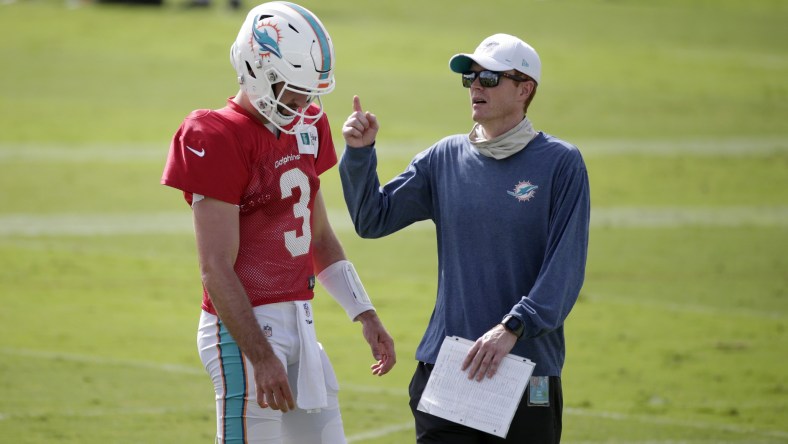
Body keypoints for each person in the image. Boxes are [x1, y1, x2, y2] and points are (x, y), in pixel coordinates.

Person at [160, 2, 396, 443]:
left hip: (301, 327)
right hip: (241, 331)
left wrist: (364, 312)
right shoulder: (215, 133)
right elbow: (214, 267)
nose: (304, 102)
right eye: (293, 89)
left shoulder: (308, 125)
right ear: (256, 68)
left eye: (310, 91)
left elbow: (319, 237)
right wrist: (262, 356)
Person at [339, 33, 590, 443]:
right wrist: (360, 154)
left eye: (489, 78)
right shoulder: (444, 158)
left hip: (528, 373)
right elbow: (373, 218)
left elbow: (565, 268)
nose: (475, 86)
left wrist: (513, 326)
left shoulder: (561, 163)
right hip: (447, 368)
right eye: (470, 77)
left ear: (525, 89)